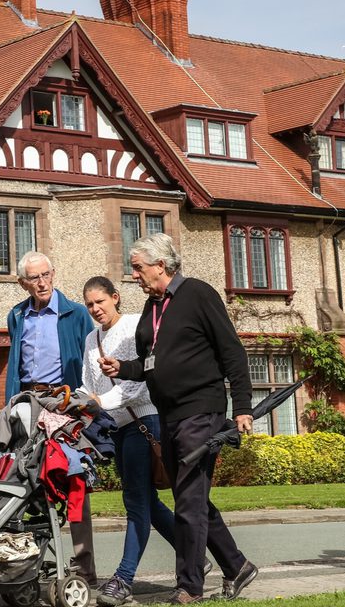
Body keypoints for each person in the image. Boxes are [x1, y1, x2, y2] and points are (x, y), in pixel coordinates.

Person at [99, 233, 257, 605]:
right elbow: (151, 365)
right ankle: (237, 567)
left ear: (161, 266)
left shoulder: (199, 294)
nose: (133, 275)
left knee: (188, 501)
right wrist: (123, 368)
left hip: (202, 410)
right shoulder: (151, 311)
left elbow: (231, 351)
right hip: (167, 415)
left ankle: (189, 587)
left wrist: (244, 406)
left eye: (137, 268)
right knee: (193, 497)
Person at [80, 276, 180, 606]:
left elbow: (142, 376)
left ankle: (123, 579)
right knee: (147, 502)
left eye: (101, 302)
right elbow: (87, 383)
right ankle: (192, 556)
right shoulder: (91, 339)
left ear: (115, 297)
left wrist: (102, 402)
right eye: (90, 304)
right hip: (118, 427)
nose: (96, 309)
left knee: (136, 502)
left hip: (143, 420)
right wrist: (77, 404)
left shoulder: (136, 326)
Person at [4, 251, 97, 586]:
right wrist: (9, 408)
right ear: (22, 283)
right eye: (34, 278)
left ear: (53, 274)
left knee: (72, 480)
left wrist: (85, 406)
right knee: (25, 480)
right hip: (28, 402)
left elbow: (92, 363)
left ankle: (84, 567)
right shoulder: (17, 315)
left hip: (65, 402)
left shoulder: (75, 314)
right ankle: (26, 565)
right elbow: (15, 365)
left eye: (46, 275)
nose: (42, 283)